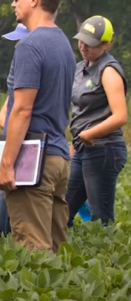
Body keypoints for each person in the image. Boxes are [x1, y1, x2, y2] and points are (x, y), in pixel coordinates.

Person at [0, 0, 76, 252]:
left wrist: (6, 165)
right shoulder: (63, 43)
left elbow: (22, 111)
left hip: (34, 161)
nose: (14, 3)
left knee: (34, 254)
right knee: (57, 250)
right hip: (59, 158)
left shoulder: (30, 44)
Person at [66, 15, 127, 227]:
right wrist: (77, 140)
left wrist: (88, 134)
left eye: (90, 44)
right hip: (82, 148)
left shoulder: (108, 70)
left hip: (104, 149)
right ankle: (63, 256)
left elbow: (120, 116)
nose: (83, 46)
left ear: (105, 44)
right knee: (62, 210)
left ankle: (109, 256)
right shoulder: (79, 68)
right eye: (81, 40)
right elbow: (79, 110)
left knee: (101, 218)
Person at [0, 23, 30, 238]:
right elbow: (3, 115)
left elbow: (20, 112)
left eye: (20, 41)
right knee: (0, 228)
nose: (17, 46)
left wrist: (11, 123)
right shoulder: (18, 74)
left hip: (25, 155)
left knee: (18, 228)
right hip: (9, 152)